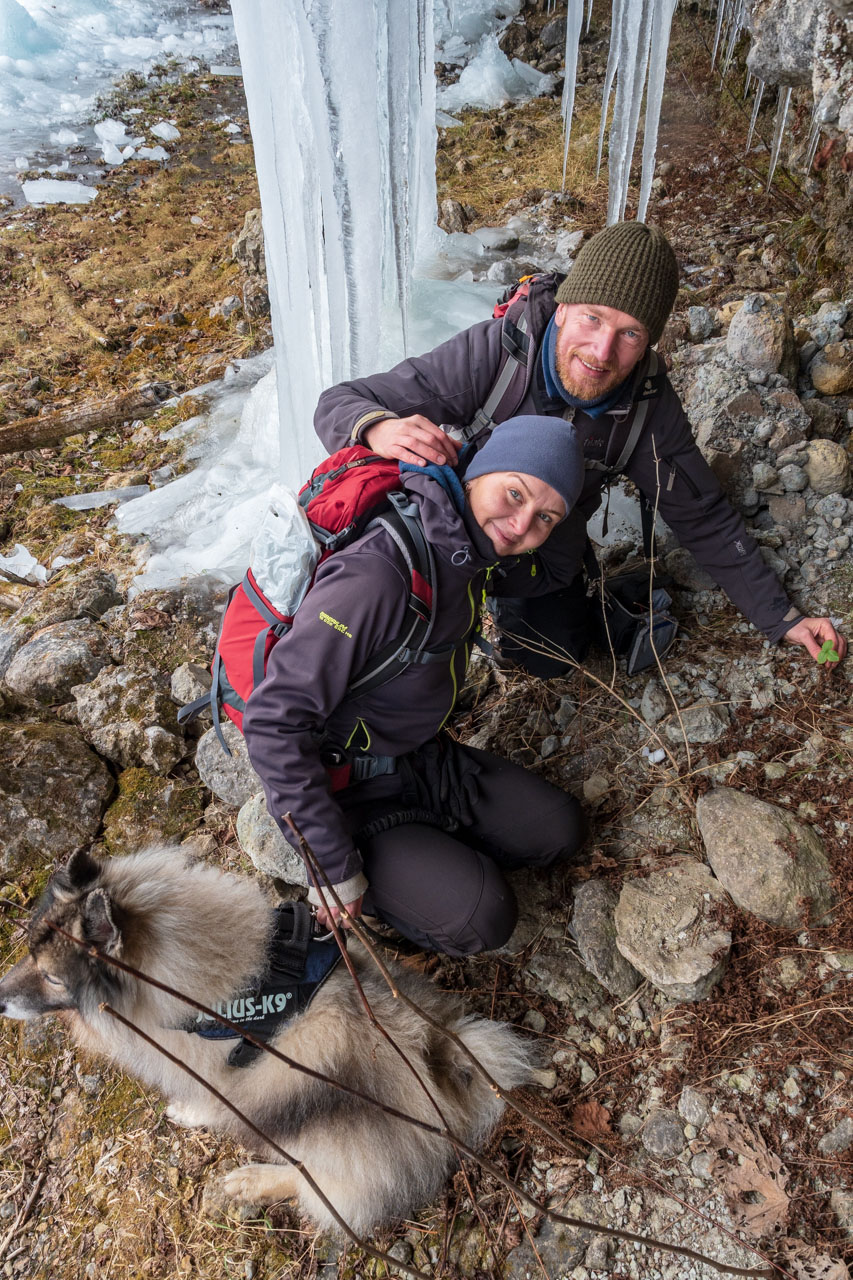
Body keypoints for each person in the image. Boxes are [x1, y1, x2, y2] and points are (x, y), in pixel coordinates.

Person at [313, 221, 846, 676]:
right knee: (398, 640)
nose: (602, 351)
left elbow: (701, 514)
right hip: (449, 527)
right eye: (593, 317)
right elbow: (342, 401)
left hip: (541, 546)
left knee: (550, 658)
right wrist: (377, 427)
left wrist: (782, 618)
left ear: (648, 345)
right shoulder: (497, 354)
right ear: (564, 306)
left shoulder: (648, 408)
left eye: (630, 333)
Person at [242, 417, 589, 956]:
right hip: (346, 788)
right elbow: (273, 720)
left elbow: (556, 566)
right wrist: (332, 867)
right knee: (482, 918)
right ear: (478, 472)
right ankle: (398, 883)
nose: (521, 525)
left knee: (559, 830)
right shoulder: (379, 575)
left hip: (416, 758)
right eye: (514, 493)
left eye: (545, 517)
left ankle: (429, 853)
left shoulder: (467, 549)